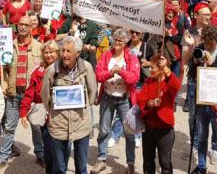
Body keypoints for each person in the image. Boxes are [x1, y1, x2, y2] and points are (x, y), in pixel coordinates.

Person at [41, 36, 97, 174]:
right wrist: (55, 111)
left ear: (77, 53)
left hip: (81, 124)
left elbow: (92, 91)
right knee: (59, 168)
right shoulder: (52, 70)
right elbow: (45, 95)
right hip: (59, 125)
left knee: (81, 168)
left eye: (69, 51)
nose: (64, 54)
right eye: (63, 50)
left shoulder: (87, 67)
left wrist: (82, 107)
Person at [0, 16, 45, 169]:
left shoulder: (40, 47)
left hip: (31, 96)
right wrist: (4, 85)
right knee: (10, 126)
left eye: (26, 24)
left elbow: (45, 68)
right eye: (20, 24)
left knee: (36, 126)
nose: (23, 27)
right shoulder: (9, 45)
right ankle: (4, 157)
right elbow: (3, 68)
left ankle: (40, 155)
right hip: (13, 93)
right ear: (16, 26)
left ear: (32, 26)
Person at [94, 28, 141, 174]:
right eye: (115, 39)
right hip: (107, 97)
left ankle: (130, 163)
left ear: (126, 42)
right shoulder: (107, 54)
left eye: (121, 40)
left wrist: (121, 71)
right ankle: (101, 159)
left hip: (124, 100)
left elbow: (135, 78)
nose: (117, 42)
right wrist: (111, 72)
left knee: (129, 133)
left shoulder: (131, 57)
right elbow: (98, 75)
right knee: (104, 130)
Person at [187, 25, 217, 173]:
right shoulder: (200, 48)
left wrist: (211, 63)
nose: (207, 45)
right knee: (201, 134)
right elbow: (192, 74)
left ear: (216, 40)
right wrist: (195, 63)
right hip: (202, 98)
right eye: (205, 42)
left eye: (210, 42)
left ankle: (216, 150)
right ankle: (201, 166)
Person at [20, 40, 61, 173]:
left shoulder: (65, 69)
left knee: (60, 147)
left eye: (52, 52)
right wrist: (23, 113)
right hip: (44, 113)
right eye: (46, 52)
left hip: (61, 115)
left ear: (58, 53)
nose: (49, 55)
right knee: (48, 147)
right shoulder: (38, 71)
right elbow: (29, 93)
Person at [138, 52, 179, 174]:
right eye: (150, 67)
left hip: (164, 128)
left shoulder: (168, 81)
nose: (150, 70)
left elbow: (176, 87)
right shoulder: (148, 81)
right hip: (149, 127)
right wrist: (150, 103)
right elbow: (141, 100)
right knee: (148, 160)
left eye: (153, 67)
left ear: (161, 69)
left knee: (165, 162)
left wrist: (166, 69)